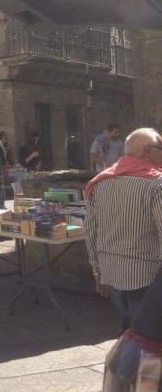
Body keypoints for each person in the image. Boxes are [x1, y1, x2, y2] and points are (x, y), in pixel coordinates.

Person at [85, 127, 162, 332]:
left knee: (130, 332)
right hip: (147, 274)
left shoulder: (101, 181)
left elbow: (91, 230)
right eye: (160, 147)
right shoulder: (156, 184)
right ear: (147, 150)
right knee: (145, 338)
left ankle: (124, 362)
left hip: (111, 271)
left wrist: (97, 270)